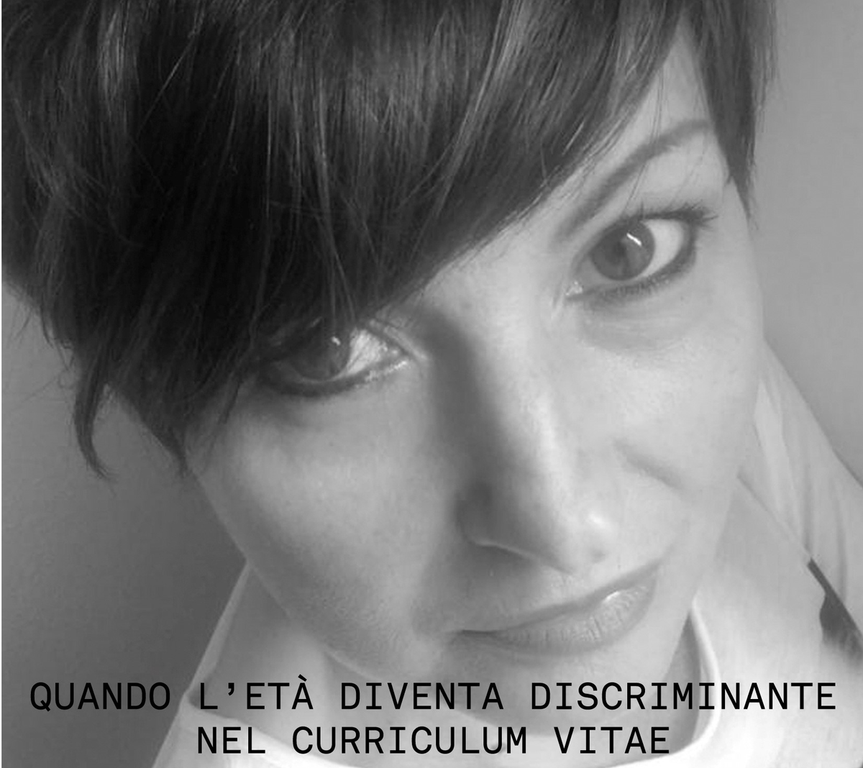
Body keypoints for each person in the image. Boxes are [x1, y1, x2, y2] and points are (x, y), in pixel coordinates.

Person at [4, 0, 863, 765]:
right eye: (327, 351)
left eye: (624, 251)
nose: (564, 529)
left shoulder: (744, 405)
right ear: (161, 408)